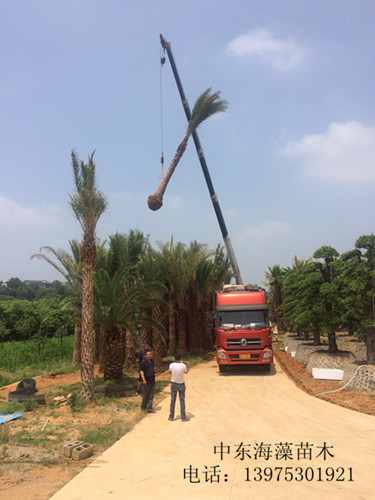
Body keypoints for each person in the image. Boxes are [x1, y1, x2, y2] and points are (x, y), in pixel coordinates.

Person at [168, 353, 188, 421]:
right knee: (182, 400)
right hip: (181, 383)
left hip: (173, 383)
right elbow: (186, 372)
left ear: (174, 358)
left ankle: (171, 416)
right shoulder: (183, 365)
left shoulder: (171, 365)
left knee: (173, 400)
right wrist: (184, 363)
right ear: (181, 358)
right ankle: (183, 417)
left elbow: (170, 372)